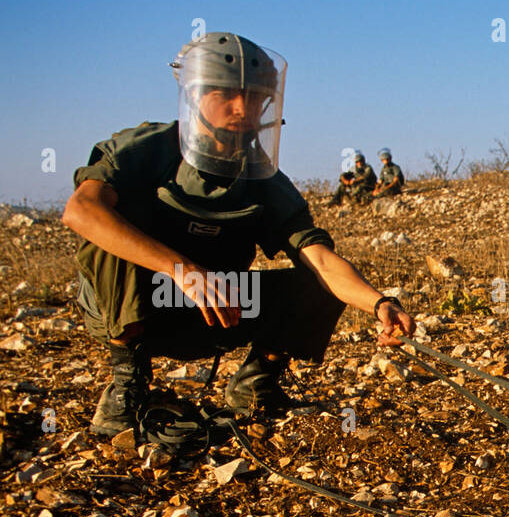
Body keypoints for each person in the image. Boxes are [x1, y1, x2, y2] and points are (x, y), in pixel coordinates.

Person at [61, 32, 413, 436]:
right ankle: (128, 386)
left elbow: (318, 258)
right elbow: (81, 211)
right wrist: (183, 271)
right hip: (134, 305)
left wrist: (378, 303)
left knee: (315, 283)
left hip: (217, 309)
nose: (242, 108)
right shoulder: (147, 148)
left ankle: (256, 385)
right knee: (111, 231)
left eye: (255, 96)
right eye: (227, 93)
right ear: (194, 93)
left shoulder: (262, 177)